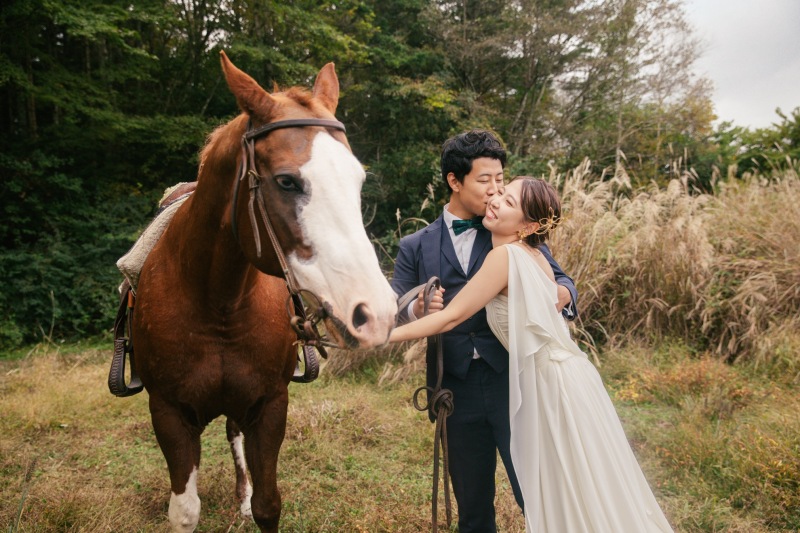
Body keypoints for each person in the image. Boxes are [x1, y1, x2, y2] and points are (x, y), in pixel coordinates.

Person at [390, 177, 673, 532]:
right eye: (498, 193)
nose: (494, 200)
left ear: (529, 226)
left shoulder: (504, 256)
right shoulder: (531, 254)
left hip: (546, 381)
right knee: (576, 487)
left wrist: (381, 336)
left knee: (557, 490)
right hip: (567, 375)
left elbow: (452, 316)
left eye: (508, 201)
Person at [390, 130, 578, 533]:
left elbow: (563, 282)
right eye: (484, 180)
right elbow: (394, 306)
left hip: (514, 379)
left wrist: (554, 297)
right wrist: (414, 307)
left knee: (537, 493)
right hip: (453, 388)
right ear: (454, 181)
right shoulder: (415, 245)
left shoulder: (512, 226)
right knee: (472, 506)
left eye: (500, 179)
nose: (495, 191)